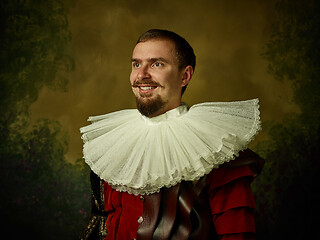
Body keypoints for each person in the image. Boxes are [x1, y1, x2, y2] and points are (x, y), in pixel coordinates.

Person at [79, 29, 264, 240]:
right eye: (136, 64)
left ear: (185, 76)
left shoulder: (218, 149)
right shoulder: (114, 144)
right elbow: (101, 225)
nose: (141, 75)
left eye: (156, 64)